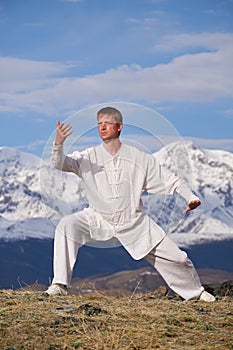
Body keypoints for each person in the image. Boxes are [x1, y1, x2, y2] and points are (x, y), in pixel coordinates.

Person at [45, 106, 215, 302]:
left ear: (119, 127)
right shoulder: (87, 156)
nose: (102, 127)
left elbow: (172, 180)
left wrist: (190, 197)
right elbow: (60, 163)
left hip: (134, 221)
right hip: (97, 218)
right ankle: (59, 285)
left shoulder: (140, 159)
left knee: (178, 258)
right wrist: (59, 143)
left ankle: (196, 292)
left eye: (107, 123)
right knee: (67, 225)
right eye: (99, 123)